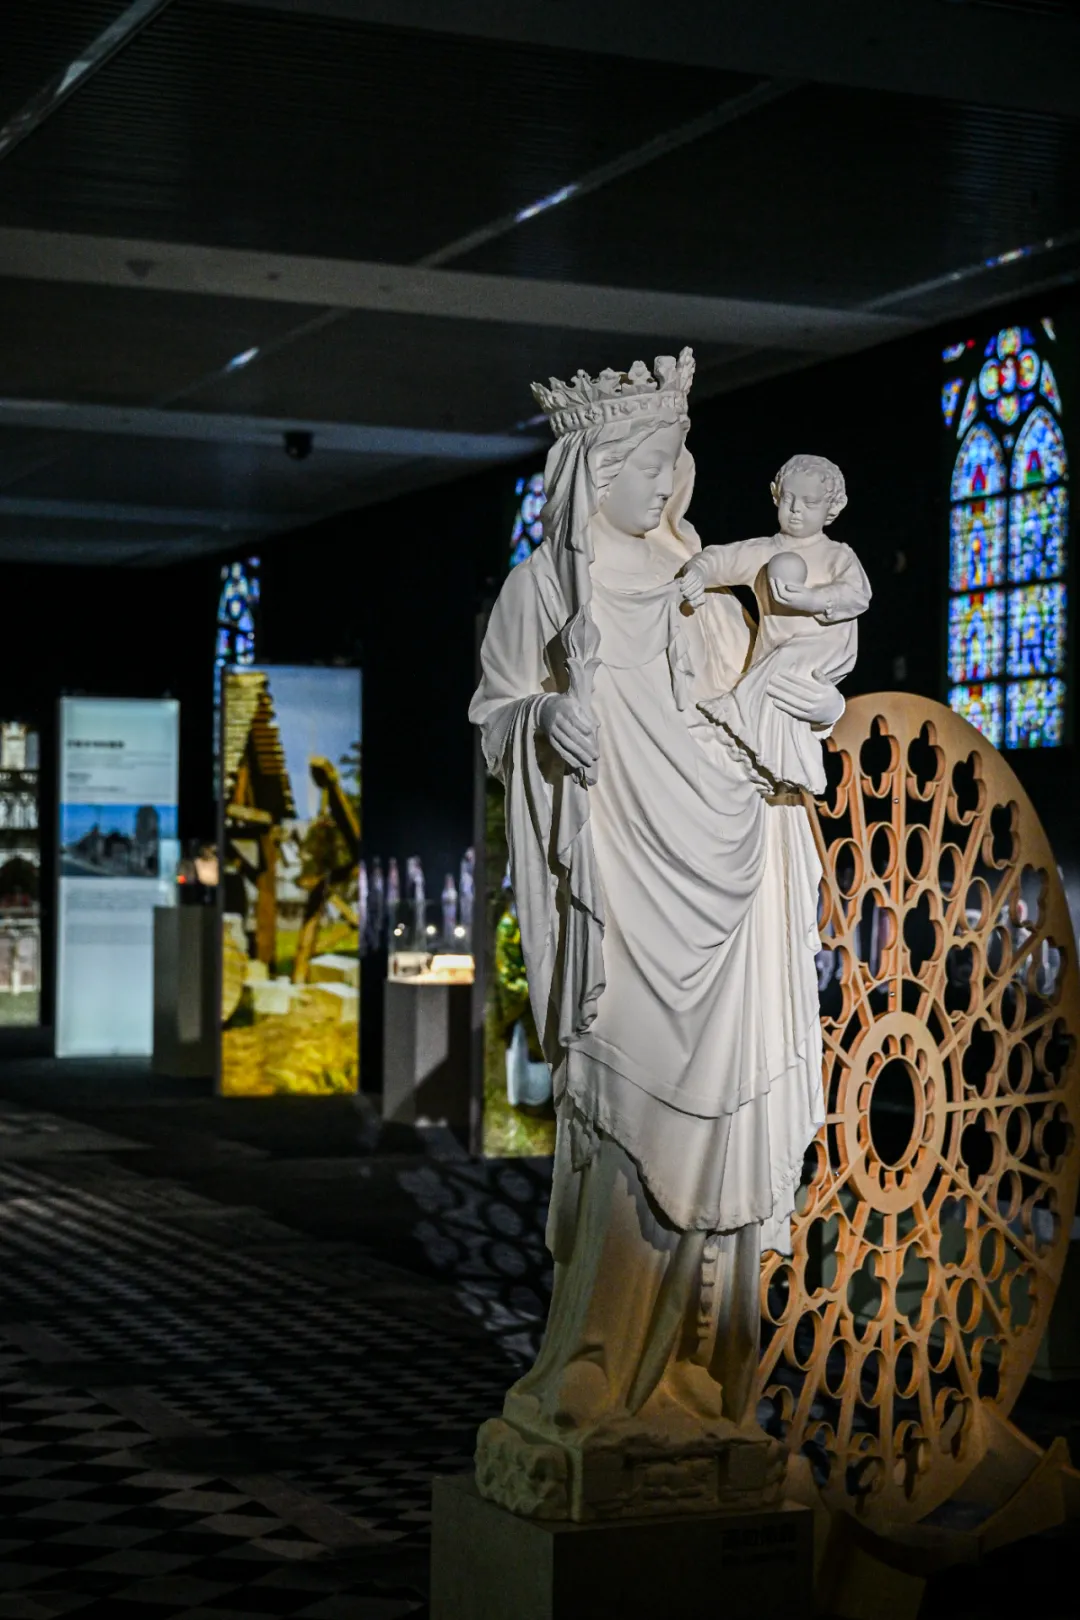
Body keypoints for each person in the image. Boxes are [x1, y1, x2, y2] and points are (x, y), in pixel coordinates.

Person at [470, 350, 851, 1517]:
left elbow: (753, 725)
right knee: (624, 1128)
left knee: (721, 1134)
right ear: (594, 474)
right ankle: (593, 1368)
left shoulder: (703, 589)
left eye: (675, 463)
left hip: (723, 894)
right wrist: (547, 722)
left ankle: (698, 1376)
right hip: (627, 905)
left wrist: (791, 703)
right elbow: (496, 715)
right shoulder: (548, 592)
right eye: (646, 466)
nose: (668, 483)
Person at [679, 454, 871, 795]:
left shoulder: (837, 555)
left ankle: (736, 715)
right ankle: (777, 762)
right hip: (774, 656)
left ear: (832, 508)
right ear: (775, 495)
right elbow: (719, 559)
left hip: (824, 648)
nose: (796, 510)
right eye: (789, 499)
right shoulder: (763, 552)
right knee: (780, 702)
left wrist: (814, 599)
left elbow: (858, 596)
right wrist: (697, 573)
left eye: (810, 502)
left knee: (786, 677)